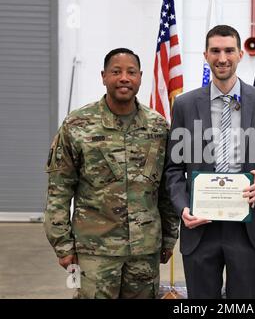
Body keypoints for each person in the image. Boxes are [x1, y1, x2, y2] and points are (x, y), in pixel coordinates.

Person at [43, 48, 179, 299]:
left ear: (140, 77)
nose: (124, 78)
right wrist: (62, 245)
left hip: (144, 250)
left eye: (131, 72)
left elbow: (166, 189)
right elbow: (59, 189)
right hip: (96, 251)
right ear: (103, 76)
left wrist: (169, 238)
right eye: (116, 72)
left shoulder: (159, 127)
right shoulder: (78, 125)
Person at [165, 25, 255, 299]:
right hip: (200, 226)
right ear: (206, 55)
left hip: (246, 226)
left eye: (229, 50)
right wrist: (183, 208)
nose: (222, 58)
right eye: (216, 51)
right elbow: (173, 169)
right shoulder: (184, 104)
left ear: (240, 54)